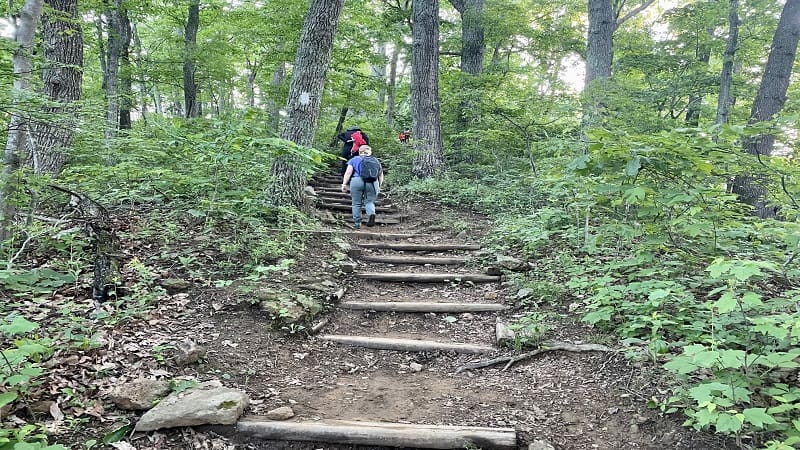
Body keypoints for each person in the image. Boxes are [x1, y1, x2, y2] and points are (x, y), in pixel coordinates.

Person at [341, 145, 384, 229]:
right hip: (372, 182)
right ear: (370, 152)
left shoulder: (354, 159)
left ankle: (357, 224)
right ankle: (371, 213)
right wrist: (379, 185)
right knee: (369, 202)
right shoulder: (375, 160)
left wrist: (344, 184)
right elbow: (381, 175)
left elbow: (348, 173)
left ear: (359, 152)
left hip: (356, 181)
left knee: (356, 203)